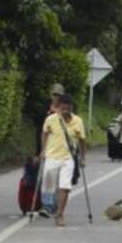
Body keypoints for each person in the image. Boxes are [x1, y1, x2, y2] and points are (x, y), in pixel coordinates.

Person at [40, 94, 86, 226]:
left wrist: (82, 157)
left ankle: (60, 214)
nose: (65, 111)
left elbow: (82, 140)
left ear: (72, 108)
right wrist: (43, 149)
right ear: (59, 107)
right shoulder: (51, 119)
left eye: (68, 108)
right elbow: (44, 132)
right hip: (52, 157)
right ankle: (48, 207)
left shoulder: (78, 121)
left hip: (68, 158)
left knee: (64, 186)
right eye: (63, 108)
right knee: (48, 187)